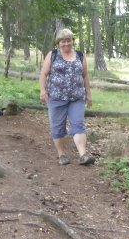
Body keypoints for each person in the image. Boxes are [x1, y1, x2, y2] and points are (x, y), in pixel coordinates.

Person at [39, 28, 95, 165]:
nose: (66, 44)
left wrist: (88, 94)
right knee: (57, 127)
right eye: (63, 41)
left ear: (72, 41)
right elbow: (43, 74)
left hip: (76, 98)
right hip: (56, 98)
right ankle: (62, 154)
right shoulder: (53, 55)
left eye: (68, 40)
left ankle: (83, 155)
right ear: (58, 43)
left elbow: (85, 75)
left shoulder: (80, 55)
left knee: (78, 124)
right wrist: (43, 90)